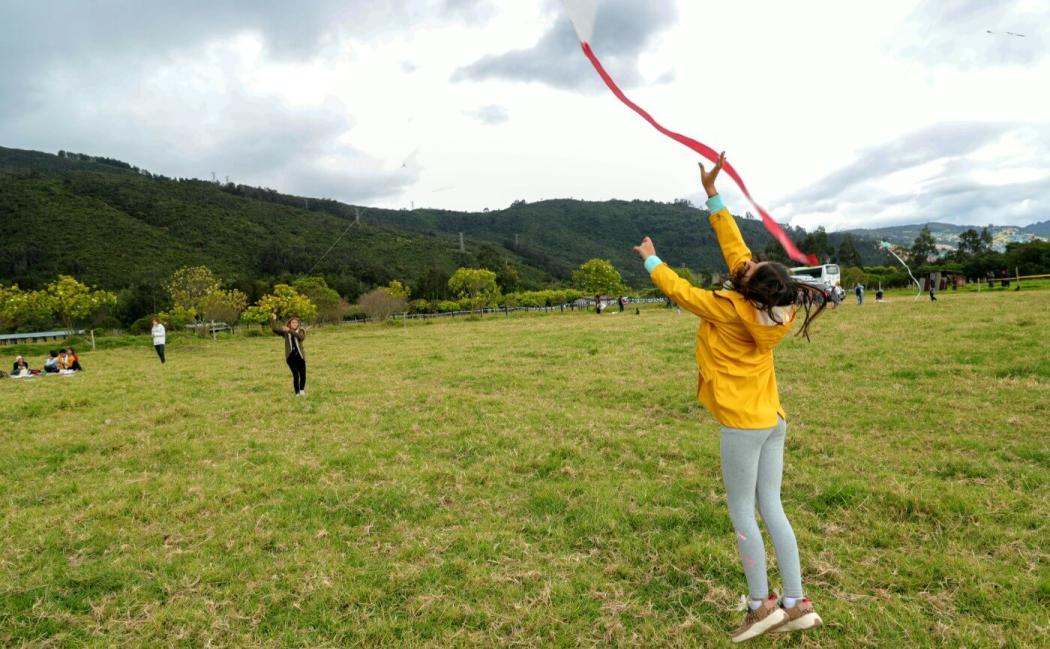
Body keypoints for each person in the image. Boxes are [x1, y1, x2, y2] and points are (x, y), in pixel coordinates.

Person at [632, 153, 825, 643]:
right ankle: (797, 602)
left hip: (742, 424)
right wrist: (713, 194)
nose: (748, 261)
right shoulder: (772, 307)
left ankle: (761, 606)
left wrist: (651, 257)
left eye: (752, 266)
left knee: (742, 509)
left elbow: (681, 292)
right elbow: (736, 249)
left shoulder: (728, 307)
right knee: (772, 506)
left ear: (747, 286)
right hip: (772, 419)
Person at [271, 312, 306, 396]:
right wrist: (273, 319)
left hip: (300, 356)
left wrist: (289, 330)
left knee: (303, 374)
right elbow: (275, 329)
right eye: (293, 322)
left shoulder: (301, 331)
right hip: (290, 357)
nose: (295, 324)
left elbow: (300, 337)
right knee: (296, 374)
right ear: (290, 323)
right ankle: (297, 393)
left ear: (298, 324)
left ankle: (301, 390)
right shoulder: (285, 333)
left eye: (296, 323)